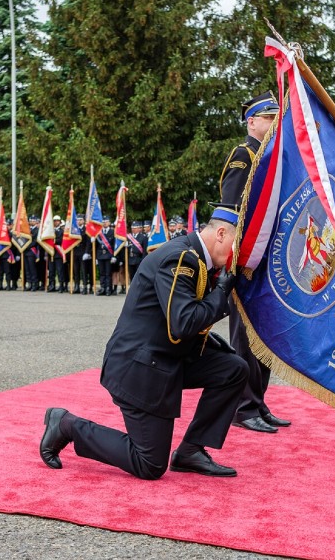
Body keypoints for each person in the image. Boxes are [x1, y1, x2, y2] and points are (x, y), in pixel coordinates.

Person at [39, 204, 248, 479]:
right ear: (221, 233)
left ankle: (190, 451)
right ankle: (67, 425)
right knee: (149, 464)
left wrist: (208, 339)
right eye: (237, 246)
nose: (237, 256)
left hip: (166, 357)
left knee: (233, 368)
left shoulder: (198, 258)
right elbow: (183, 322)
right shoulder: (181, 259)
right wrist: (220, 293)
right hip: (139, 367)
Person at [219, 90, 290, 433]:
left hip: (265, 261)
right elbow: (231, 210)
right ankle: (244, 407)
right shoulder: (244, 156)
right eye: (270, 118)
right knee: (244, 339)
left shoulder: (270, 159)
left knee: (264, 337)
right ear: (252, 121)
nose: (276, 123)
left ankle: (258, 402)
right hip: (245, 260)